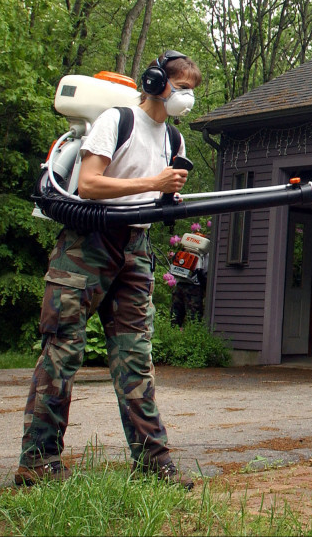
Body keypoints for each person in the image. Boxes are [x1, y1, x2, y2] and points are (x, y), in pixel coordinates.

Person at [16, 50, 201, 489]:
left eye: (193, 91)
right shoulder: (117, 121)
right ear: (156, 82)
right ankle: (38, 462)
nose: (188, 98)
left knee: (136, 358)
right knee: (63, 352)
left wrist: (167, 198)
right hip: (87, 245)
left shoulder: (174, 141)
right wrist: (153, 184)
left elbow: (155, 199)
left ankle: (153, 463)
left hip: (134, 248)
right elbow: (90, 184)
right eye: (183, 88)